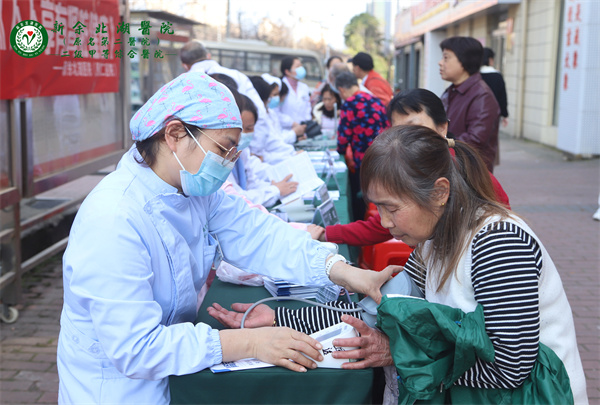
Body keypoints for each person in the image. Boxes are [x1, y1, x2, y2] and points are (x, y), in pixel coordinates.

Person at [56, 72, 392, 404]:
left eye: (234, 154)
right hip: (117, 389)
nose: (228, 164)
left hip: (172, 370)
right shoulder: (114, 219)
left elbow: (261, 234)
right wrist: (250, 344)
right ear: (174, 134)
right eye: (223, 150)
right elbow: (136, 348)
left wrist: (341, 269)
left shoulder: (190, 188)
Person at [308, 88, 510, 246]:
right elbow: (381, 226)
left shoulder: (470, 177)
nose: (408, 138)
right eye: (400, 130)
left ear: (442, 128)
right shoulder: (424, 246)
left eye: (416, 128)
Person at [179, 40, 270, 159]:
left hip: (195, 153)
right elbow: (260, 114)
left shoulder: (182, 83)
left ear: (184, 65)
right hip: (236, 151)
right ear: (208, 55)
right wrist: (257, 152)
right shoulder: (238, 76)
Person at [439, 36, 500, 172]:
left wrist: (437, 143)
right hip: (453, 168)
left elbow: (474, 140)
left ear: (464, 61)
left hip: (470, 176)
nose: (440, 63)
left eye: (446, 58)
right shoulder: (452, 90)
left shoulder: (482, 96)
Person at [336, 71, 389, 221]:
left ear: (341, 90)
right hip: (382, 155)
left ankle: (360, 222)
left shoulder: (349, 104)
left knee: (361, 196)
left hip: (362, 160)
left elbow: (343, 135)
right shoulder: (375, 100)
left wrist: (340, 152)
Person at [481, 47, 509, 128]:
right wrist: (505, 114)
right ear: (490, 59)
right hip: (493, 113)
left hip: (476, 112)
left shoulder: (475, 75)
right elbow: (502, 97)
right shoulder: (497, 76)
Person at [278, 56, 312, 123]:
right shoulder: (280, 87)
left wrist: (306, 123)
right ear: (287, 71)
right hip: (284, 129)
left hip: (303, 129)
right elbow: (276, 111)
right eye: (297, 66)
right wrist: (292, 123)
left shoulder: (304, 87)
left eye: (301, 66)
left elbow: (307, 108)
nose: (301, 68)